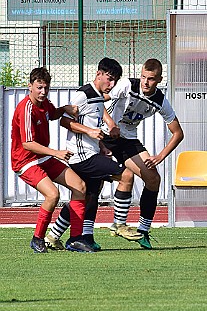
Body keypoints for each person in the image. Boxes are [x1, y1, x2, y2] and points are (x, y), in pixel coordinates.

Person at [44, 57, 140, 252]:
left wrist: (102, 144)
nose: (111, 84)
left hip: (92, 152)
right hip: (81, 157)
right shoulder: (84, 94)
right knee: (127, 175)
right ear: (98, 74)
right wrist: (89, 132)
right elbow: (63, 121)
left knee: (88, 195)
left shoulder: (97, 95)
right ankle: (119, 224)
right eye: (109, 79)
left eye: (115, 81)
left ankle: (58, 236)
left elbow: (95, 116)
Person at [101, 58, 184, 249]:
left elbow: (178, 133)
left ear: (160, 79)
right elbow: (99, 102)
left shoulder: (161, 101)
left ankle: (143, 231)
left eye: (151, 79)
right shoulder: (127, 85)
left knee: (153, 179)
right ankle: (83, 234)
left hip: (127, 139)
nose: (146, 82)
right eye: (144, 77)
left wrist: (160, 156)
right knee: (91, 184)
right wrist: (110, 124)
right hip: (104, 134)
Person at [11, 67, 89, 253]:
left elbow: (52, 114)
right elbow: (28, 143)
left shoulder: (44, 103)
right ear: (30, 86)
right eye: (39, 87)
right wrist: (55, 152)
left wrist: (64, 109)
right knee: (53, 195)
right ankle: (37, 238)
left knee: (80, 186)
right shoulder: (26, 109)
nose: (43, 92)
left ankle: (75, 239)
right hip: (25, 161)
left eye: (46, 88)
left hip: (43, 157)